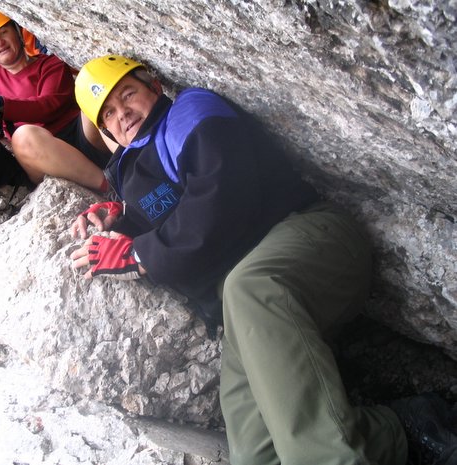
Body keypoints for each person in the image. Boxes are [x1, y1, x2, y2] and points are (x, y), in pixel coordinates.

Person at [69, 55, 457, 464]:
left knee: (246, 287)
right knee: (254, 450)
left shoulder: (189, 112)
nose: (122, 113)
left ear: (152, 85)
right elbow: (165, 211)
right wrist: (120, 220)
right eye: (108, 113)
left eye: (127, 94)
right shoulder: (132, 166)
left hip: (312, 238)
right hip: (252, 305)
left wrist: (138, 254)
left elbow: (221, 199)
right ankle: (402, 428)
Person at [0, 3, 110, 191]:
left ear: (18, 31)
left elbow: (48, 106)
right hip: (39, 151)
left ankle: (130, 159)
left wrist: (2, 105)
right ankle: (110, 187)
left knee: (95, 97)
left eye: (3, 32)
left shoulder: (52, 64)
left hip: (79, 136)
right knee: (23, 136)